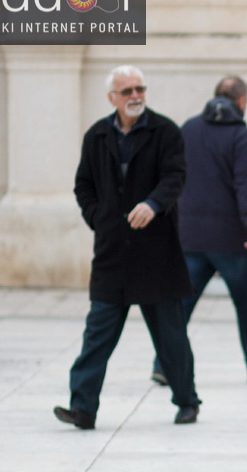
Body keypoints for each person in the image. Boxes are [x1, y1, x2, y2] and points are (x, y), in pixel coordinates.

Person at [55, 66, 201, 429]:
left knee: (171, 339)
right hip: (112, 256)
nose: (135, 95)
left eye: (140, 88)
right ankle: (83, 409)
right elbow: (83, 185)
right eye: (127, 91)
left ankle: (187, 401)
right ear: (112, 98)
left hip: (157, 255)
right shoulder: (97, 136)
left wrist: (153, 204)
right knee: (96, 338)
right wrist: (99, 218)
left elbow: (175, 176)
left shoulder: (165, 131)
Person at [150, 75, 247, 386]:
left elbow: (171, 178)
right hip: (230, 240)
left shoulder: (188, 129)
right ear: (241, 101)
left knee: (180, 306)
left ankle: (163, 365)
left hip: (190, 236)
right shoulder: (242, 137)